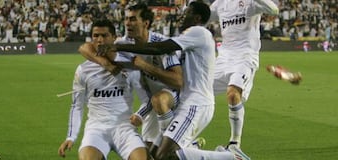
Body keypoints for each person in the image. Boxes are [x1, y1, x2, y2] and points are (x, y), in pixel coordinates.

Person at [95, 2, 249, 160]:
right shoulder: (189, 36)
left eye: (186, 13)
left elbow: (160, 48)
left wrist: (120, 48)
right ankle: (193, 147)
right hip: (186, 102)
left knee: (166, 156)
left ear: (197, 18)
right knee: (156, 155)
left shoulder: (199, 32)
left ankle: (230, 157)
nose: (181, 16)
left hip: (197, 103)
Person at [57, 19, 150, 160]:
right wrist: (71, 136)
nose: (100, 40)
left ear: (114, 38)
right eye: (96, 36)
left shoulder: (128, 66)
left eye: (104, 36)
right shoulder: (83, 70)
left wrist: (140, 115)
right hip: (96, 128)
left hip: (124, 127)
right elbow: (77, 105)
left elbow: (147, 99)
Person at [209, 0, 281, 150]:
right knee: (199, 90)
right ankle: (189, 139)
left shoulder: (252, 3)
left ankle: (235, 143)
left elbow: (274, 10)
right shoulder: (220, 3)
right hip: (223, 57)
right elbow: (204, 17)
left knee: (233, 94)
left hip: (245, 56)